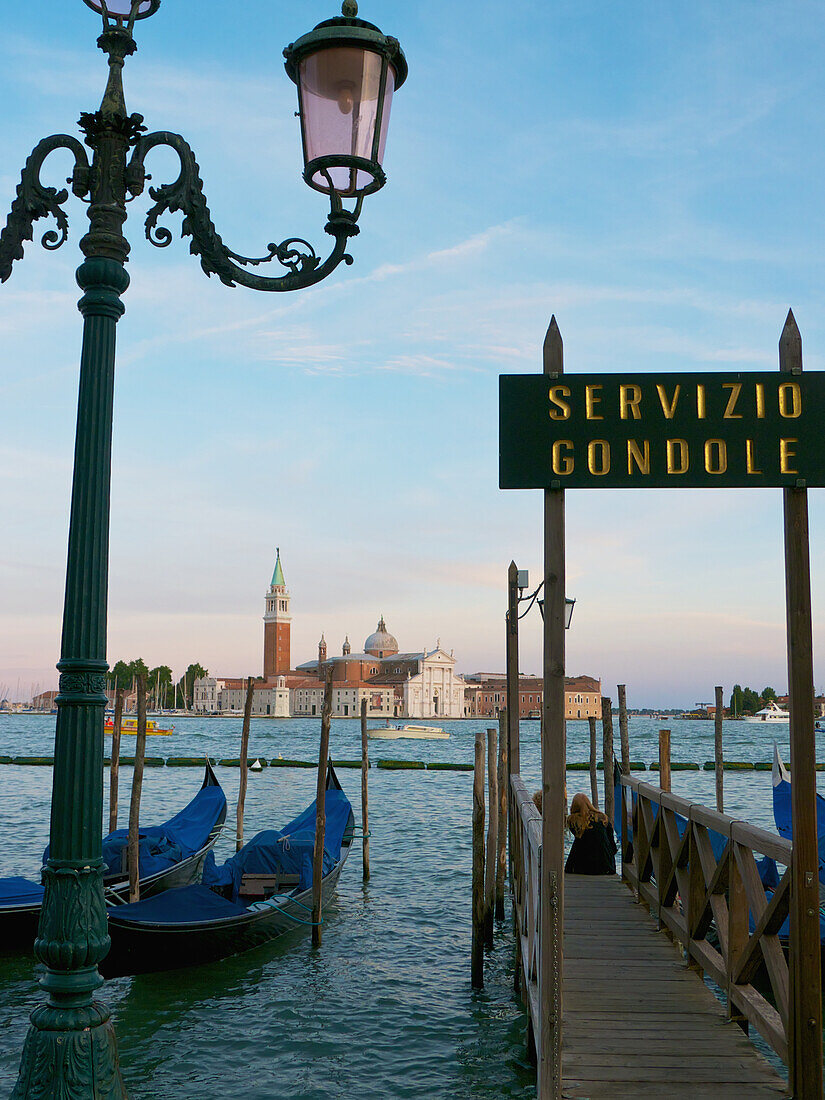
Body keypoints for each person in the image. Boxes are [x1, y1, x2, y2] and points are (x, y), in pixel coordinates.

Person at [564, 792, 617, 875]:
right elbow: (612, 846)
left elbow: (578, 843)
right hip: (607, 867)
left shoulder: (573, 820)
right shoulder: (603, 818)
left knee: (580, 842)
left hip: (584, 867)